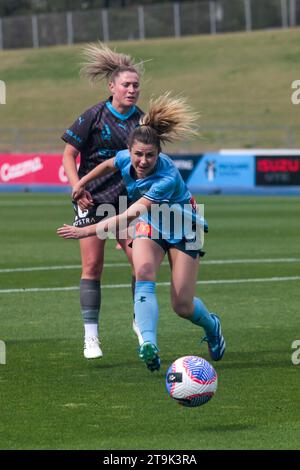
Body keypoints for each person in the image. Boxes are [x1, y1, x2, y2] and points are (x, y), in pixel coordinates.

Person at [58, 94, 226, 372]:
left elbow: (128, 215)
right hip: (152, 224)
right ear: (130, 150)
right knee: (144, 271)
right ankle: (149, 344)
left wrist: (84, 231)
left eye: (150, 155)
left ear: (159, 155)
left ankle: (212, 325)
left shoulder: (166, 177)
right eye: (138, 154)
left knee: (182, 305)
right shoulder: (125, 157)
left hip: (184, 227)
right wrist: (82, 182)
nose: (143, 161)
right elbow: (109, 164)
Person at [61, 42, 145, 360]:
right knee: (93, 266)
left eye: (136, 85)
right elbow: (69, 153)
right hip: (93, 201)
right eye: (126, 84)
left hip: (129, 205)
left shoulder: (143, 122)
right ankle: (91, 337)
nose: (132, 89)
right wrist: (76, 188)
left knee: (143, 265)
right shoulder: (93, 116)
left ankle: (141, 322)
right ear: (112, 86)